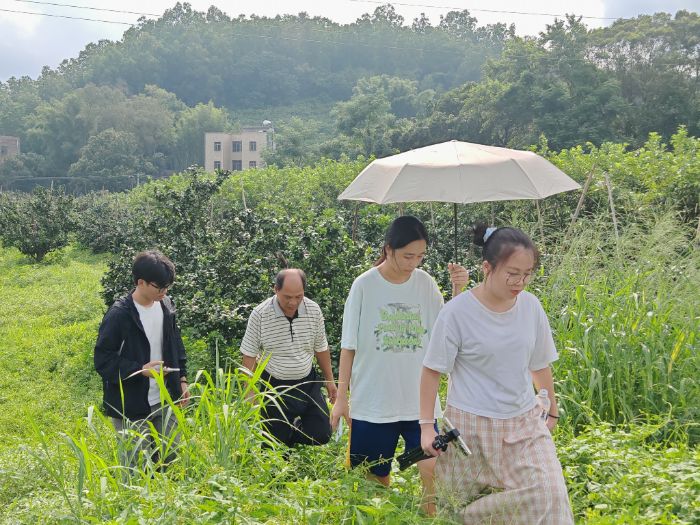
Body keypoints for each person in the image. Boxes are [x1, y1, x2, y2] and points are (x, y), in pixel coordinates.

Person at [419, 224, 574, 524]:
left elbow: (539, 363)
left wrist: (552, 411)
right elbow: (431, 371)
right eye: (512, 273)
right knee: (455, 507)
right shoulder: (456, 312)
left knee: (550, 495)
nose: (520, 282)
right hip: (469, 428)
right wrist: (427, 426)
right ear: (487, 267)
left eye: (527, 274)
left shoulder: (531, 307)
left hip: (523, 423)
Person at [330, 215, 468, 515]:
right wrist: (342, 398)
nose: (414, 263)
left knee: (432, 468)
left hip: (419, 401)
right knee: (374, 476)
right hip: (374, 400)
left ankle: (430, 518)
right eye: (408, 256)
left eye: (420, 256)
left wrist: (458, 291)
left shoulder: (425, 283)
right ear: (388, 249)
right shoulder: (364, 285)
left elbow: (446, 330)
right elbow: (348, 346)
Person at [94, 250, 189, 466]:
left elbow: (176, 343)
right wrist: (140, 370)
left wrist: (182, 379)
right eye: (159, 287)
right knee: (137, 466)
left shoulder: (166, 306)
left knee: (172, 458)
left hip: (165, 397)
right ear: (141, 282)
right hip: (131, 404)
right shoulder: (120, 315)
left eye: (167, 287)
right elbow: (103, 359)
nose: (164, 292)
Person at [241, 268, 337, 447]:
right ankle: (282, 440)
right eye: (287, 297)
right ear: (276, 289)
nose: (293, 302)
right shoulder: (260, 314)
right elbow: (249, 354)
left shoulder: (313, 310)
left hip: (307, 382)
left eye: (298, 296)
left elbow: (321, 348)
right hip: (274, 386)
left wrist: (329, 380)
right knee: (273, 447)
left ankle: (292, 432)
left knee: (322, 434)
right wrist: (250, 391)